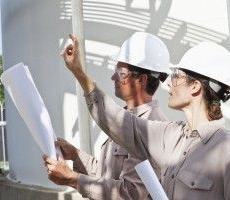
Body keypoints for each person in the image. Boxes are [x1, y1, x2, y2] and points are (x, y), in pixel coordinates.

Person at [55, 34, 230, 199]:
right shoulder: (172, 136)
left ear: (195, 87)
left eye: (176, 76)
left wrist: (73, 180)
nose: (169, 83)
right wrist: (80, 74)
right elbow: (119, 122)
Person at [43, 32, 170, 199]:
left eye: (120, 72)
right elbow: (106, 173)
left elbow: (129, 193)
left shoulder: (150, 127)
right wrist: (75, 155)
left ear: (142, 80)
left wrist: (72, 179)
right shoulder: (126, 118)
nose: (113, 77)